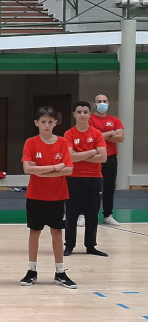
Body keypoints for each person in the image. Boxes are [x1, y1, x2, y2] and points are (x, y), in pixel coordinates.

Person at [20, 106, 77, 289]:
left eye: (50, 122)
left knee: (57, 232)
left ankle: (60, 272)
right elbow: (28, 169)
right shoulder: (31, 142)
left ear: (55, 123)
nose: (46, 125)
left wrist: (41, 171)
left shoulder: (62, 143)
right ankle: (32, 270)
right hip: (36, 195)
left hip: (58, 196)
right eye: (43, 122)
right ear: (36, 123)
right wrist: (54, 167)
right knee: (34, 232)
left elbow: (68, 169)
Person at [63, 101, 108, 257]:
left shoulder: (96, 134)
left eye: (85, 112)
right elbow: (69, 157)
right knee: (71, 213)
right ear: (74, 114)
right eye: (79, 112)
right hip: (73, 178)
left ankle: (91, 245)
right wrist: (92, 152)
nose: (82, 114)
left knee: (92, 213)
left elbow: (102, 157)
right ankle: (69, 245)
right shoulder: (69, 134)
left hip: (94, 178)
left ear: (89, 114)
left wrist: (79, 155)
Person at [88, 94, 124, 226]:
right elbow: (92, 137)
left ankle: (108, 215)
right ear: (94, 104)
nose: (102, 103)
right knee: (91, 187)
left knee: (109, 187)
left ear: (108, 103)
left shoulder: (115, 120)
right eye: (99, 101)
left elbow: (120, 138)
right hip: (95, 158)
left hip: (111, 158)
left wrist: (101, 135)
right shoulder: (90, 119)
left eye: (104, 101)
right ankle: (85, 214)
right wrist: (110, 133)